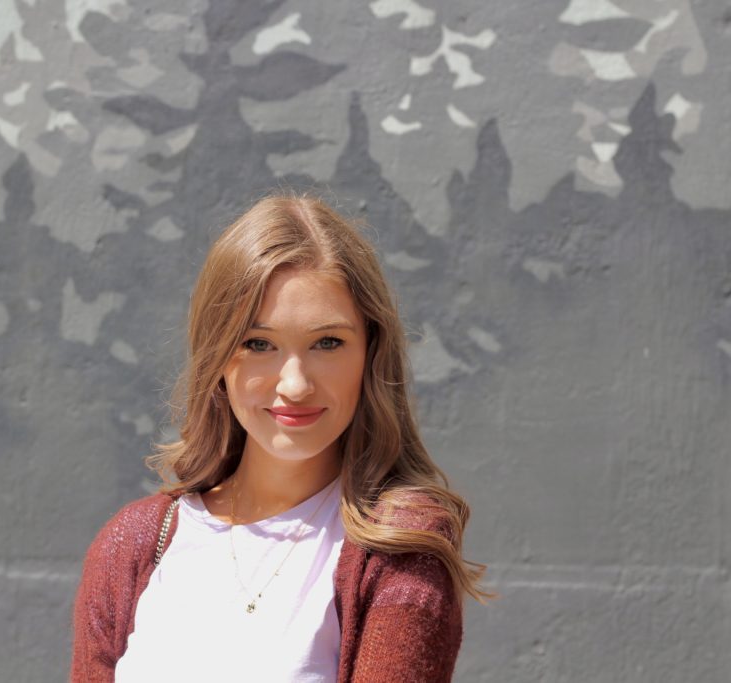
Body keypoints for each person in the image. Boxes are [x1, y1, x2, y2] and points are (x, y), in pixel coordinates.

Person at [71, 193, 492, 682]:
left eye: (327, 342)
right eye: (258, 344)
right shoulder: (135, 544)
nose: (294, 385)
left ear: (370, 354)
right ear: (218, 355)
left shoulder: (399, 545)